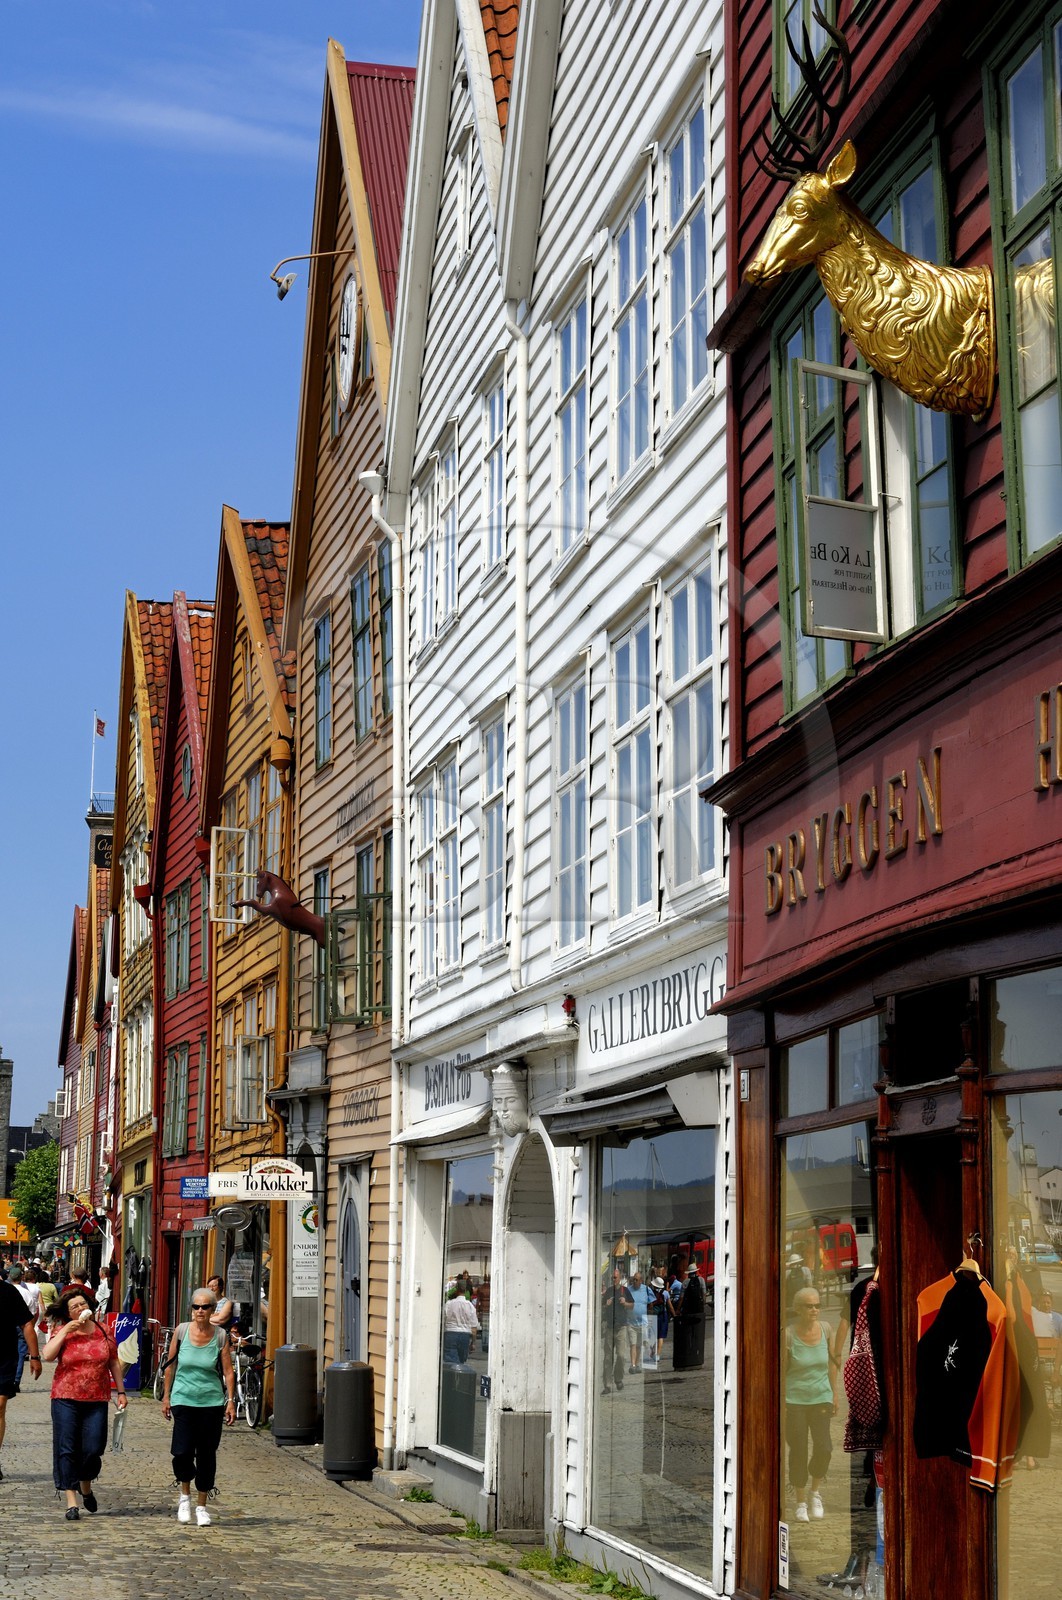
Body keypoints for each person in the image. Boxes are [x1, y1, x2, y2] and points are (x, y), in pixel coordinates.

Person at [42, 1288, 126, 1519]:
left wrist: (120, 1391)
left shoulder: (103, 1330)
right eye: (74, 1307)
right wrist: (65, 1331)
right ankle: (72, 1503)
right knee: (67, 1447)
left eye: (82, 1304)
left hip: (96, 1398)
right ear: (68, 1313)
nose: (80, 1309)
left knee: (93, 1448)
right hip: (65, 1397)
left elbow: (113, 1362)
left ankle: (85, 1486)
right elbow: (48, 1355)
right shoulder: (63, 1331)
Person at [160, 1287, 237, 1525]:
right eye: (196, 1306)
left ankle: (202, 1506)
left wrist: (231, 1401)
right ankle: (185, 1496)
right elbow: (170, 1366)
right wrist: (166, 1396)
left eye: (205, 1307)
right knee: (182, 1452)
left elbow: (228, 1371)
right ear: (191, 1309)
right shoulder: (181, 1331)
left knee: (206, 1454)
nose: (200, 1311)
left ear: (213, 1310)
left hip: (211, 1403)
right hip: (183, 1400)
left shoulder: (220, 1336)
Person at [785, 1286, 838, 1523]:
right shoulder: (788, 1335)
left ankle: (815, 1492)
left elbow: (832, 1364)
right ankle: (800, 1502)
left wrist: (834, 1394)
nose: (815, 1310)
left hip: (821, 1397)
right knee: (798, 1449)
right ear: (798, 1309)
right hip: (794, 1400)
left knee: (824, 1447)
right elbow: (781, 1371)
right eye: (809, 1306)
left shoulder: (826, 1329)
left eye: (817, 1305)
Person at [0, 1271, 42, 1477]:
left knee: (0, 1406)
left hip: (4, 1357)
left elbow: (27, 1323)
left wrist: (35, 1356)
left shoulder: (8, 1292)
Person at [600, 1268, 634, 1394]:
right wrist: (606, 1304)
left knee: (621, 1356)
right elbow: (602, 1306)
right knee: (608, 1357)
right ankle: (607, 1385)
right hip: (610, 1327)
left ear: (619, 1278)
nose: (613, 1279)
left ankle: (618, 1378)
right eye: (612, 1278)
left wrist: (625, 1303)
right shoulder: (608, 1291)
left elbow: (632, 1305)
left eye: (615, 1277)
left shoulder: (625, 1291)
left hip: (621, 1328)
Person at [7, 1264, 40, 1388]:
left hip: (9, 1325)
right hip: (23, 1325)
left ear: (10, 1277)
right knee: (21, 1353)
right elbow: (32, 1313)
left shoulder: (6, 1291)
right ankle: (16, 1380)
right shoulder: (26, 1293)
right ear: (21, 1277)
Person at [442, 1285, 479, 1364]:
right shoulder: (470, 1305)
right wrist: (473, 1343)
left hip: (450, 1333)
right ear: (465, 1292)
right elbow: (474, 1327)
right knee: (461, 1362)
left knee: (450, 1362)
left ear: (456, 1291)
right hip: (465, 1335)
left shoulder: (449, 1304)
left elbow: (443, 1319)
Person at [627, 1269, 651, 1373]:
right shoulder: (628, 1290)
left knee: (639, 1345)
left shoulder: (646, 1289)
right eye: (633, 1279)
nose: (634, 1281)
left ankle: (637, 1364)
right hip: (631, 1322)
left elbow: (651, 1303)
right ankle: (632, 1365)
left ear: (641, 1280)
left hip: (642, 1323)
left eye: (636, 1280)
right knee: (632, 1344)